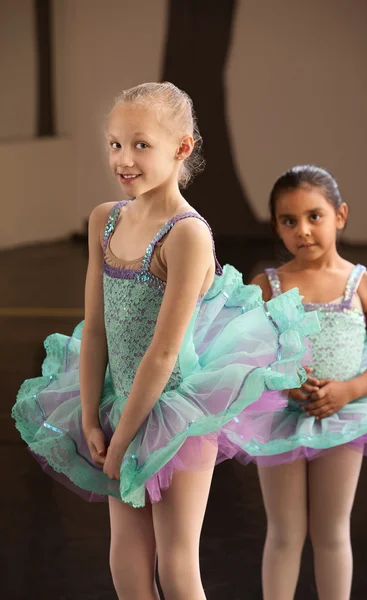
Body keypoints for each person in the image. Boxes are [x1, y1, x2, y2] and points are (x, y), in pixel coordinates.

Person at [12, 85, 318, 600]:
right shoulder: (104, 220)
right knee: (127, 569)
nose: (123, 159)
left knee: (177, 568)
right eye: (114, 144)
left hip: (175, 412)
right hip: (118, 404)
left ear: (182, 147)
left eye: (140, 144)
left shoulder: (188, 234)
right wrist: (91, 416)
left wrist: (125, 436)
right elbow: (97, 327)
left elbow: (163, 353)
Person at [222, 164, 367, 600]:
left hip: (342, 417)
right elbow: (247, 357)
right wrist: (283, 384)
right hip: (280, 418)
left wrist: (348, 390)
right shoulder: (266, 286)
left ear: (340, 215)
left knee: (333, 531)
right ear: (277, 228)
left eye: (314, 216)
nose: (303, 230)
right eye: (289, 220)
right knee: (283, 532)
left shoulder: (366, 286)